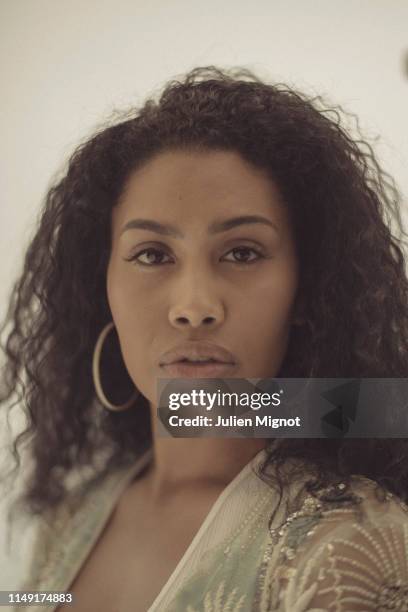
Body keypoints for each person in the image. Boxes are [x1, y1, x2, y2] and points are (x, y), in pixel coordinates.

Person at [1, 65, 408, 612]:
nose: (194, 307)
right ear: (102, 289)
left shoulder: (348, 547)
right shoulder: (69, 515)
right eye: (152, 254)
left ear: (308, 293)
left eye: (242, 253)